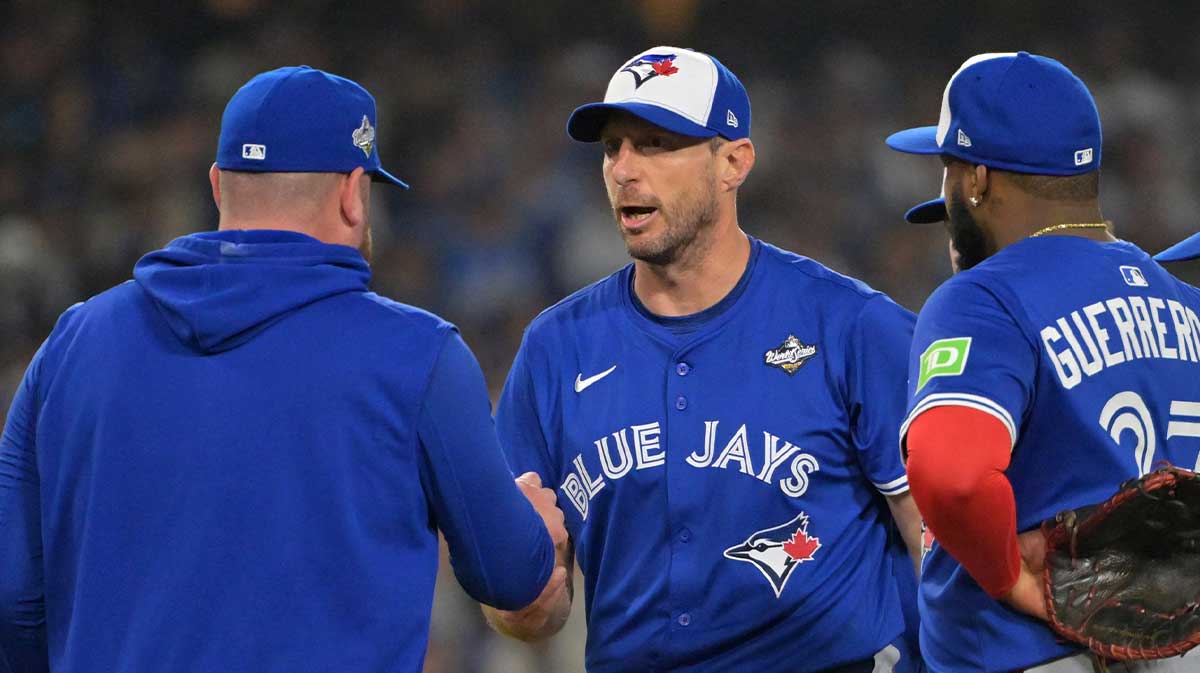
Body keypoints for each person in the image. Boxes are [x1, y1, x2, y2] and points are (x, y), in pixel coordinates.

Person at [0, 65, 565, 673]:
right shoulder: (418, 354)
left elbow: (12, 596)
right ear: (353, 192)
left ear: (218, 185)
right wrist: (534, 528)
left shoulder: (74, 341)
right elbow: (509, 576)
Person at [483, 46, 925, 673]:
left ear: (733, 163)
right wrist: (522, 592)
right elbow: (531, 616)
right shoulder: (556, 349)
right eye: (613, 147)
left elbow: (935, 540)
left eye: (658, 143)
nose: (625, 170)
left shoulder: (851, 325)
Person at [887, 51, 1200, 672]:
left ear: (976, 178)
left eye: (947, 168)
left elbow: (951, 475)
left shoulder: (983, 298)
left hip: (1022, 652)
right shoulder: (1185, 303)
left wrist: (1010, 580)